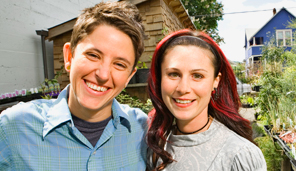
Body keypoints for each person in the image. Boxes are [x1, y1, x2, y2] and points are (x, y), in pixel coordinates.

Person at [0, 1, 148, 170]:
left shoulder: (141, 129)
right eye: (93, 55)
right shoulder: (14, 127)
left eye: (119, 64)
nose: (103, 75)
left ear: (129, 77)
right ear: (69, 56)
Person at [146, 29, 267, 171]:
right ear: (160, 79)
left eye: (197, 76)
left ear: (216, 81)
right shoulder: (156, 146)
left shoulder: (239, 155)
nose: (183, 88)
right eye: (173, 74)